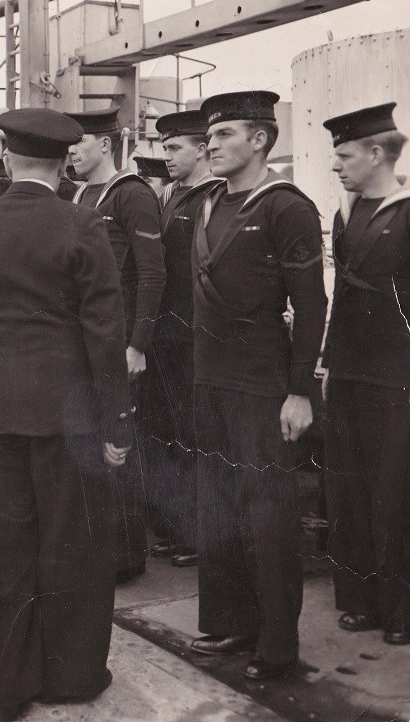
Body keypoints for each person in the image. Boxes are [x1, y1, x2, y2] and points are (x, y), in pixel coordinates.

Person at [0, 109, 133, 721]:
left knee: (3, 548)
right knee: (73, 544)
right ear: (62, 162)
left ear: (6, 160)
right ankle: (71, 677)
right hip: (69, 417)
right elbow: (104, 331)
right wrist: (116, 421)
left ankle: (8, 686)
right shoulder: (82, 224)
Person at [189, 91, 327, 680]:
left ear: (261, 139)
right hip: (210, 379)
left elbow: (312, 305)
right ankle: (232, 623)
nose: (212, 146)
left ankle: (277, 645)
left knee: (267, 515)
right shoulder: (209, 203)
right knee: (218, 509)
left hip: (262, 385)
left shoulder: (286, 207)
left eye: (224, 135)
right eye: (209, 137)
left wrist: (299, 391)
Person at [321, 102, 410, 646]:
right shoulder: (345, 212)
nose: (336, 166)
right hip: (351, 372)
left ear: (377, 153)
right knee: (348, 490)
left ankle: (401, 610)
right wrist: (329, 363)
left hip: (397, 374)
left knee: (394, 492)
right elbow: (342, 300)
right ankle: (360, 600)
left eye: (345, 156)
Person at [67, 105, 165, 584]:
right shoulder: (80, 194)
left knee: (120, 442)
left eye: (79, 144)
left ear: (105, 144)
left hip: (120, 338)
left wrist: (138, 344)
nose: (71, 154)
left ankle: (125, 556)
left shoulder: (132, 194)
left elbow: (152, 273)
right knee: (92, 442)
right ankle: (97, 547)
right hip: (88, 336)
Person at [142, 111, 222, 569]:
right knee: (169, 433)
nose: (167, 156)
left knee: (193, 435)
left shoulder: (212, 196)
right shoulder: (172, 197)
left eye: (175, 148)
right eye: (165, 148)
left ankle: (197, 534)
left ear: (201, 149)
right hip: (166, 335)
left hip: (193, 334)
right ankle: (177, 528)